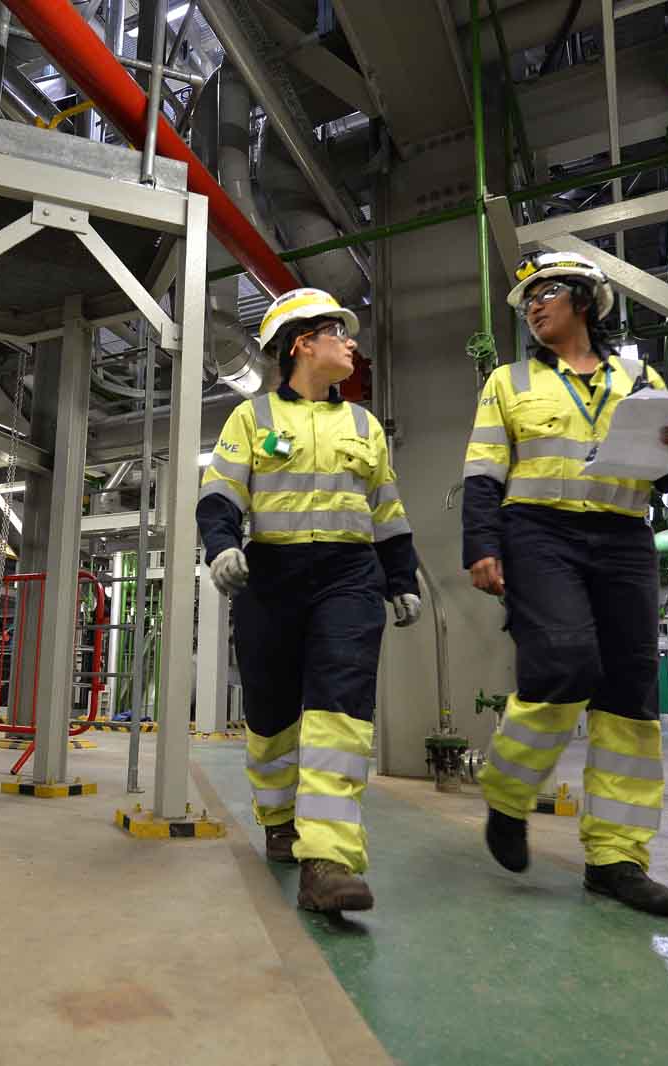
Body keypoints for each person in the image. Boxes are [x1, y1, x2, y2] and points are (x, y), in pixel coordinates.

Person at [462, 252, 668, 918]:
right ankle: (508, 795)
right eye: (529, 299)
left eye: (548, 293)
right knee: (564, 661)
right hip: (538, 534)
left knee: (629, 694)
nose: (535, 305)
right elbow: (484, 471)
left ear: (587, 303)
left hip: (624, 536)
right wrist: (481, 545)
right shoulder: (508, 382)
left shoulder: (639, 377)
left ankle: (617, 859)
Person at [197, 287, 422, 914]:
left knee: (339, 709)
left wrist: (400, 578)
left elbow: (388, 511)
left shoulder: (364, 425)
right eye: (337, 332)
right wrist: (220, 545)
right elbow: (221, 493)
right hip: (272, 576)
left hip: (350, 576)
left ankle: (327, 857)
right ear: (302, 343)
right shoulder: (254, 418)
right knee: (272, 716)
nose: (351, 343)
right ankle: (278, 817)